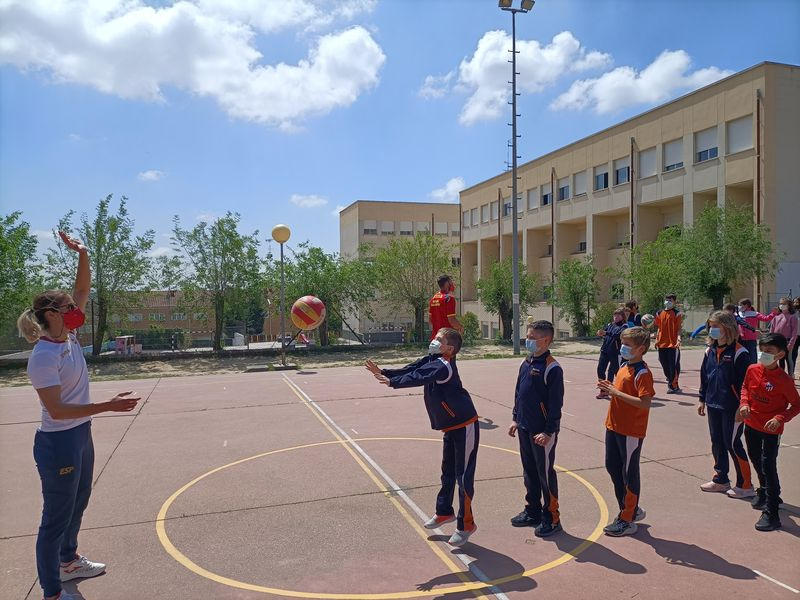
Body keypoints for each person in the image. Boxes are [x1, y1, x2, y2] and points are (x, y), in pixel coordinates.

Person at [16, 231, 140, 600]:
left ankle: (68, 561)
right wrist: (108, 405)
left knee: (79, 501)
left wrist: (83, 253)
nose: (77, 310)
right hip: (58, 442)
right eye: (69, 307)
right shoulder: (42, 357)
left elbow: (83, 288)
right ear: (52, 315)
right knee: (54, 519)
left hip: (80, 435)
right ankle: (52, 592)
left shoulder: (66, 336)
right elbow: (56, 409)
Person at [366, 327, 478, 546]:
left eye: (439, 339)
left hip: (465, 425)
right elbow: (413, 368)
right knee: (447, 473)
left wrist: (393, 383)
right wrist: (387, 372)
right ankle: (444, 511)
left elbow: (420, 376)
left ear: (450, 348)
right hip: (451, 427)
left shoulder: (443, 366)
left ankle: (467, 525)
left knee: (463, 478)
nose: (433, 341)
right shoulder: (432, 358)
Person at [508, 320, 564, 537]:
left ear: (546, 340)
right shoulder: (527, 362)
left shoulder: (552, 368)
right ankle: (532, 510)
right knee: (529, 472)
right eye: (528, 337)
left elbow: (556, 404)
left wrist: (549, 432)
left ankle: (552, 516)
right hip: (524, 427)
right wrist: (515, 418)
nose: (528, 341)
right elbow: (519, 393)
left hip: (542, 433)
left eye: (532, 338)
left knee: (545, 474)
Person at [738, 333, 800, 531]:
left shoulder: (784, 380)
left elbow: (796, 404)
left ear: (780, 355)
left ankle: (772, 512)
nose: (763, 354)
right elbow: (745, 388)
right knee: (755, 458)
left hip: (771, 429)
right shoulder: (752, 369)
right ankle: (765, 490)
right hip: (752, 423)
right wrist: (744, 403)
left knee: (768, 464)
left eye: (769, 352)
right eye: (762, 350)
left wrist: (780, 418)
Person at [597, 327, 655, 537]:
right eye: (623, 343)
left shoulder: (642, 372)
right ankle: (630, 508)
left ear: (640, 349)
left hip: (631, 430)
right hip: (613, 425)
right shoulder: (624, 365)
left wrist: (616, 392)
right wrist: (610, 389)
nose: (623, 347)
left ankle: (627, 518)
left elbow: (645, 402)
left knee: (629, 472)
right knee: (612, 466)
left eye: (628, 345)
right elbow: (621, 393)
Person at [696, 311, 753, 498]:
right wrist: (702, 399)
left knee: (732, 443)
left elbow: (746, 384)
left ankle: (745, 485)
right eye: (710, 326)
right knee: (717, 442)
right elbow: (705, 377)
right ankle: (721, 479)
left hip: (732, 407)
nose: (712, 330)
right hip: (713, 403)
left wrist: (741, 405)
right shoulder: (709, 351)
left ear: (727, 328)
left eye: (716, 326)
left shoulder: (739, 352)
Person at [647, 293, 683, 393]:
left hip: (673, 344)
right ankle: (670, 380)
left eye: (670, 300)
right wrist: (656, 339)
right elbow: (659, 328)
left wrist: (678, 339)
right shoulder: (659, 313)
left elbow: (678, 329)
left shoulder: (677, 313)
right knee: (664, 364)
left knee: (673, 365)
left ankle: (673, 385)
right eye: (667, 299)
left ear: (674, 302)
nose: (668, 301)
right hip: (661, 343)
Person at [595, 308, 627, 399]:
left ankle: (622, 390)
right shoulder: (610, 325)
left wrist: (606, 333)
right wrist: (600, 332)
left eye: (618, 315)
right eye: (614, 315)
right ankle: (603, 391)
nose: (616, 317)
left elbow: (618, 335)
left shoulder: (624, 326)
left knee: (617, 372)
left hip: (615, 353)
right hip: (605, 351)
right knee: (600, 370)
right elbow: (604, 332)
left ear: (622, 317)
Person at [737, 298, 776, 365]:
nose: (739, 307)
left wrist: (774, 313)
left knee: (752, 356)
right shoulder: (739, 314)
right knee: (742, 355)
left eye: (741, 305)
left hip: (751, 338)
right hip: (740, 338)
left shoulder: (754, 313)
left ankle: (753, 369)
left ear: (746, 305)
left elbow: (766, 318)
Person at [428, 275, 463, 340]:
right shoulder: (449, 299)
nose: (452, 284)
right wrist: (460, 327)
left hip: (435, 339)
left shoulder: (433, 299)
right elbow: (452, 320)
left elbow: (430, 320)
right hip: (446, 341)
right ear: (447, 283)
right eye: (451, 282)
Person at [768, 297, 797, 376]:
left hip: (787, 342)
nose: (781, 305)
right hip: (777, 342)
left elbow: (794, 333)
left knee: (789, 360)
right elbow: (771, 330)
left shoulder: (792, 317)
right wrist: (770, 341)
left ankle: (791, 377)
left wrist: (790, 344)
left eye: (784, 304)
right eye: (780, 304)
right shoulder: (776, 317)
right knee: (780, 359)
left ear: (789, 305)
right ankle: (781, 377)